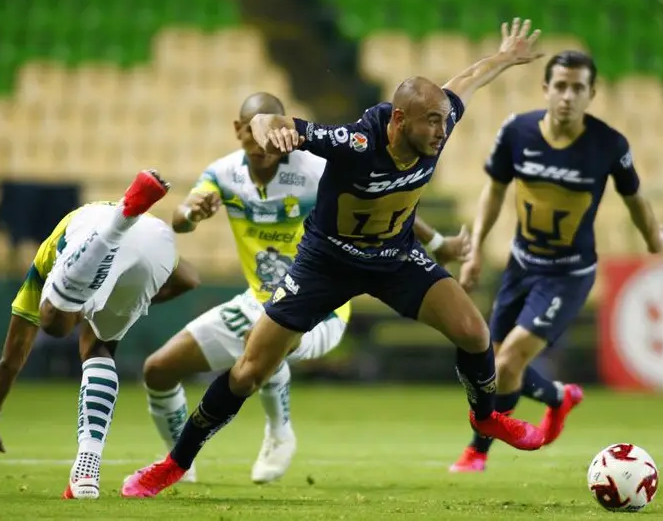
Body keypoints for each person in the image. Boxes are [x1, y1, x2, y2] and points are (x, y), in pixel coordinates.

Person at [121, 18, 548, 498]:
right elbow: (274, 122)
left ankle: (487, 417)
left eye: (444, 120)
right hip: (326, 262)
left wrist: (504, 57)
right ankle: (173, 464)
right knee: (248, 372)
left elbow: (464, 80)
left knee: (473, 332)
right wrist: (268, 128)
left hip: (394, 256)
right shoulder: (357, 144)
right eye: (432, 121)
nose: (442, 129)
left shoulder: (437, 123)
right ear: (400, 121)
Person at [142, 92, 472, 485]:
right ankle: (183, 461)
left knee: (268, 341)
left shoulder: (315, 167)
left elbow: (386, 203)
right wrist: (191, 213)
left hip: (320, 304)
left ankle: (279, 432)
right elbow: (180, 220)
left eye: (273, 133)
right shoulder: (223, 174)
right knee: (158, 369)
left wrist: (439, 246)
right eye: (253, 132)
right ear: (239, 131)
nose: (265, 144)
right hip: (256, 301)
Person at [449, 51, 663, 472]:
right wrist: (476, 246)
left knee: (509, 360)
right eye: (561, 86)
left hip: (567, 275)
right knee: (491, 364)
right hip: (520, 265)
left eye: (578, 88)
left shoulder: (608, 144)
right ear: (546, 89)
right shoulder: (517, 132)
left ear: (591, 94)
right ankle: (556, 397)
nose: (568, 96)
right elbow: (494, 190)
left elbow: (635, 198)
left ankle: (478, 449)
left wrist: (653, 237)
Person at [0, 170, 201, 500]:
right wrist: (137, 300)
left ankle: (110, 236)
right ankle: (86, 468)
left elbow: (11, 361)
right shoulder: (126, 225)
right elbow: (190, 279)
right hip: (156, 240)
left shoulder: (42, 262)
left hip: (101, 232)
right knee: (97, 348)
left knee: (53, 324)